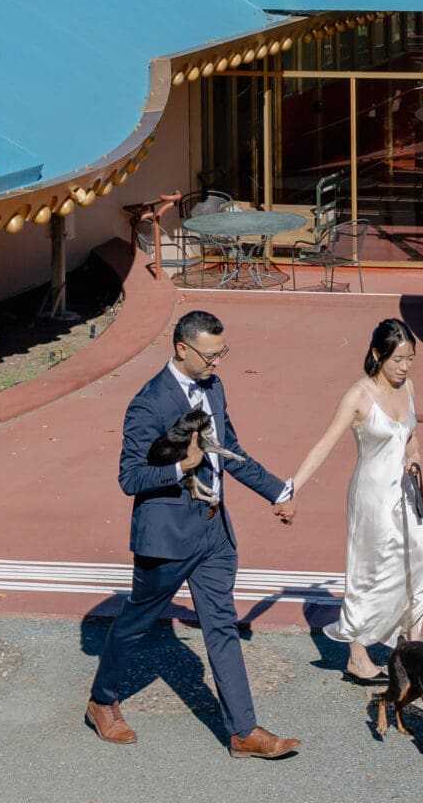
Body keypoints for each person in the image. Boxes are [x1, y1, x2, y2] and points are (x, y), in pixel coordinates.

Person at [85, 309, 302, 758]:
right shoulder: (148, 403)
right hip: (165, 538)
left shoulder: (214, 387)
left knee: (221, 624)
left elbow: (231, 449)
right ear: (182, 348)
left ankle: (243, 731)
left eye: (222, 352)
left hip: (214, 531)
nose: (217, 362)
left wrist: (277, 492)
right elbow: (130, 478)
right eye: (210, 355)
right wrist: (181, 466)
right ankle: (102, 701)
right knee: (135, 622)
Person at [290, 316, 423, 684]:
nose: (404, 368)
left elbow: (411, 438)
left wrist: (415, 459)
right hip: (371, 497)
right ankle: (358, 658)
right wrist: (290, 489)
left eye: (410, 359)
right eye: (397, 360)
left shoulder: (408, 388)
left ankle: (410, 648)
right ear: (377, 354)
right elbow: (324, 445)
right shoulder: (358, 396)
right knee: (370, 574)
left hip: (405, 492)